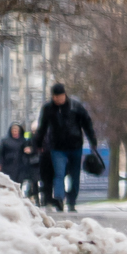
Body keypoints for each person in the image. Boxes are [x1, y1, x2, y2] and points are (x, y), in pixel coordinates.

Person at [28, 82, 98, 213]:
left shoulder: (75, 106)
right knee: (59, 173)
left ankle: (72, 201)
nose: (57, 99)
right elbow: (42, 127)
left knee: (74, 174)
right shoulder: (48, 108)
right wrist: (37, 144)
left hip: (75, 145)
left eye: (59, 97)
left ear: (64, 95)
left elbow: (87, 123)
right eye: (54, 97)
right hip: (57, 147)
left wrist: (92, 140)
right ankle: (59, 198)